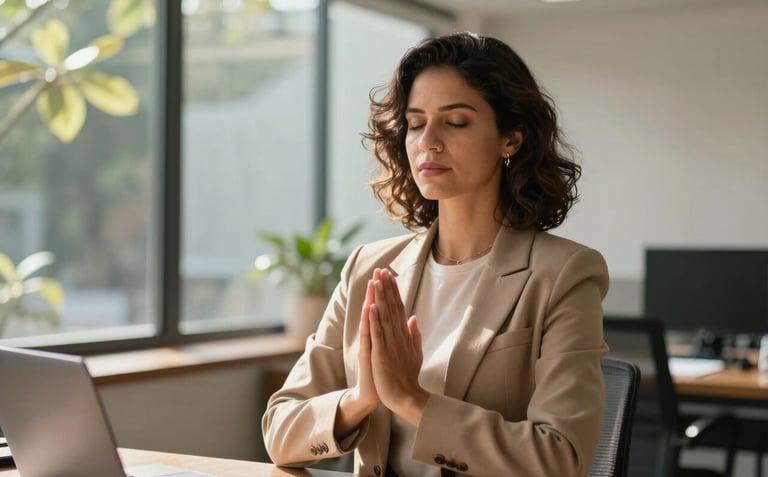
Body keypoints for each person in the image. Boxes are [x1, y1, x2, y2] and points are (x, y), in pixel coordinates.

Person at [263, 31, 608, 477]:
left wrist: (410, 399)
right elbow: (279, 433)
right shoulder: (368, 268)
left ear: (511, 139)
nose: (428, 141)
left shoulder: (564, 274)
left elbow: (561, 460)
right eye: (416, 122)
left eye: (456, 121)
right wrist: (361, 398)